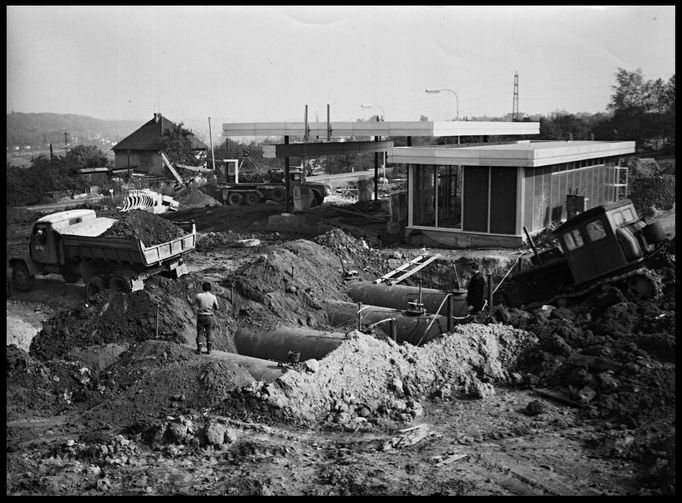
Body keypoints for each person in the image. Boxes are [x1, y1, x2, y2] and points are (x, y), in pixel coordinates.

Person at [195, 281, 219, 354]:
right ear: (210, 288)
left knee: (200, 333)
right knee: (209, 333)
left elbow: (193, 303)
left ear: (202, 288)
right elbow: (216, 308)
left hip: (201, 316)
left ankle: (199, 350)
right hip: (209, 317)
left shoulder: (198, 296)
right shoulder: (213, 297)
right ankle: (209, 350)